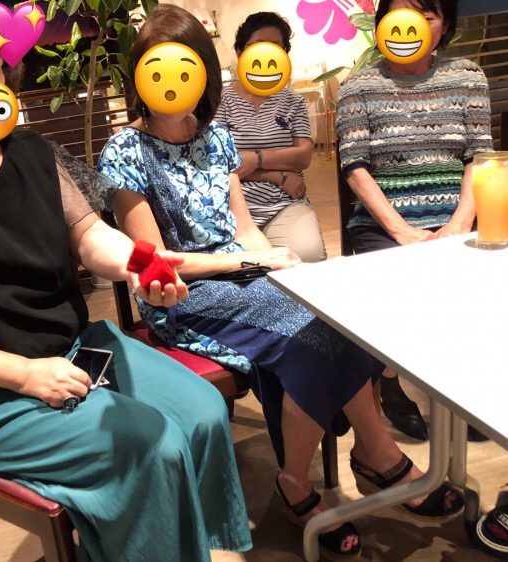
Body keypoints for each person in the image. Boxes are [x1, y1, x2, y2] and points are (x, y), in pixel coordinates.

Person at [0, 1, 253, 560]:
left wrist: (144, 264)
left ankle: (182, 546)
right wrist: (24, 373)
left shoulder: (32, 153)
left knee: (203, 413)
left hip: (75, 350)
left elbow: (91, 237)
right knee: (150, 448)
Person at [98, 4, 464, 559]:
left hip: (241, 275)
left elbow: (244, 228)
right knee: (311, 337)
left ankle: (355, 459)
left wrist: (276, 261)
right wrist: (242, 265)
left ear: (203, 75)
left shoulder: (217, 137)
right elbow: (156, 262)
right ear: (140, 77)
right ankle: (332, 472)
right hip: (182, 294)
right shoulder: (125, 151)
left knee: (341, 316)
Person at [335, 0, 493, 442]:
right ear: (381, 25)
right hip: (383, 225)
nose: (412, 27)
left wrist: (459, 223)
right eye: (400, 16)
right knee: (407, 291)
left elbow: (479, 156)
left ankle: (462, 387)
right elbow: (354, 166)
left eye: (427, 15)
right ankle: (389, 376)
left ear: (445, 25)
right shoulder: (358, 85)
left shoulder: (469, 77)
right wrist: (401, 231)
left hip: (458, 219)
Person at [215, 12, 326, 263]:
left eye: (275, 47)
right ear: (240, 51)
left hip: (284, 202)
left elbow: (303, 156)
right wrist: (278, 175)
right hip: (230, 204)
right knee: (242, 267)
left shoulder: (293, 102)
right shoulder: (221, 100)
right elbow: (219, 164)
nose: (266, 55)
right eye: (257, 46)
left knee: (308, 255)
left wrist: (254, 159)